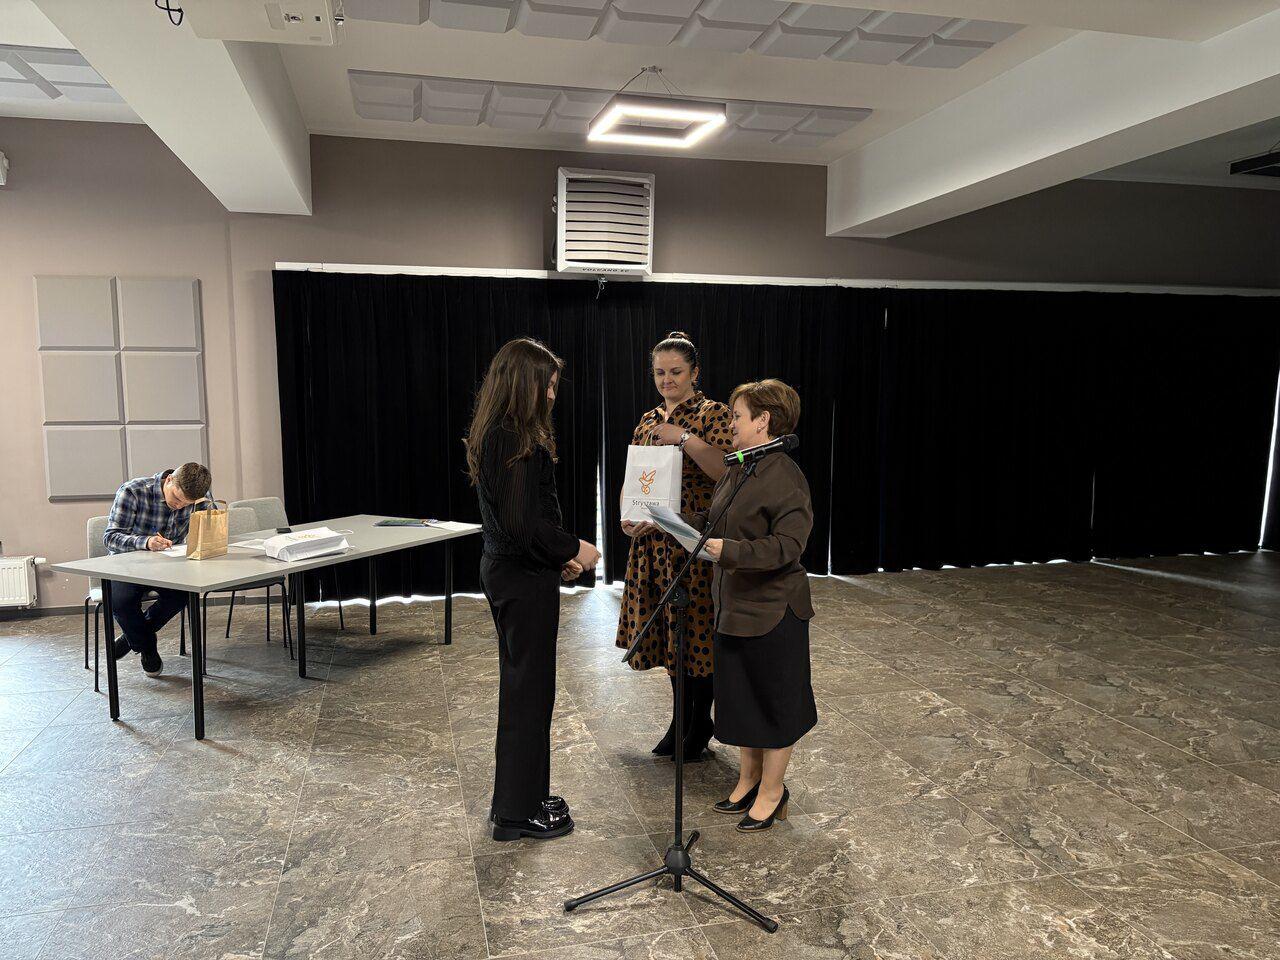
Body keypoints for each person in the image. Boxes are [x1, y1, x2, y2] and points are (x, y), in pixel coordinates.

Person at [466, 337, 601, 842]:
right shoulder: (511, 438)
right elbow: (523, 526)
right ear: (525, 384)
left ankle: (522, 797)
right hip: (519, 578)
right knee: (529, 693)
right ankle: (516, 814)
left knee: (528, 689)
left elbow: (518, 522)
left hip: (516, 571)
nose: (551, 395)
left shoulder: (502, 432)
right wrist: (576, 547)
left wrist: (556, 557)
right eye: (547, 385)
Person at [697, 379, 816, 832]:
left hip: (772, 610)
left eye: (737, 416)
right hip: (733, 606)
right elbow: (717, 522)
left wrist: (729, 552)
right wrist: (666, 522)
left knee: (774, 705)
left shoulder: (784, 474)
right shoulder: (740, 467)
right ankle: (748, 779)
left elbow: (788, 545)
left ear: (764, 420)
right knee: (742, 700)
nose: (730, 423)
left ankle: (773, 790)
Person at [615, 331, 732, 762]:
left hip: (690, 543)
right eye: (660, 372)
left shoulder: (713, 413)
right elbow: (634, 477)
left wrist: (683, 437)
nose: (667, 380)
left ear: (694, 373)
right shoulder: (647, 419)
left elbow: (726, 471)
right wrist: (628, 517)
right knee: (669, 636)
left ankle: (699, 720)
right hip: (652, 545)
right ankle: (682, 719)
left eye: (676, 372)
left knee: (695, 635)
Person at [102, 462, 213, 677]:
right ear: (169, 480)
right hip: (127, 565)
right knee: (122, 602)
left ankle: (131, 639)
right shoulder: (133, 492)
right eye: (177, 499)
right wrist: (146, 542)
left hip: (169, 565)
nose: (180, 506)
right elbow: (111, 537)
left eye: (187, 504)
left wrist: (209, 516)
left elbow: (208, 530)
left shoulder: (200, 496)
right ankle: (148, 648)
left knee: (183, 595)